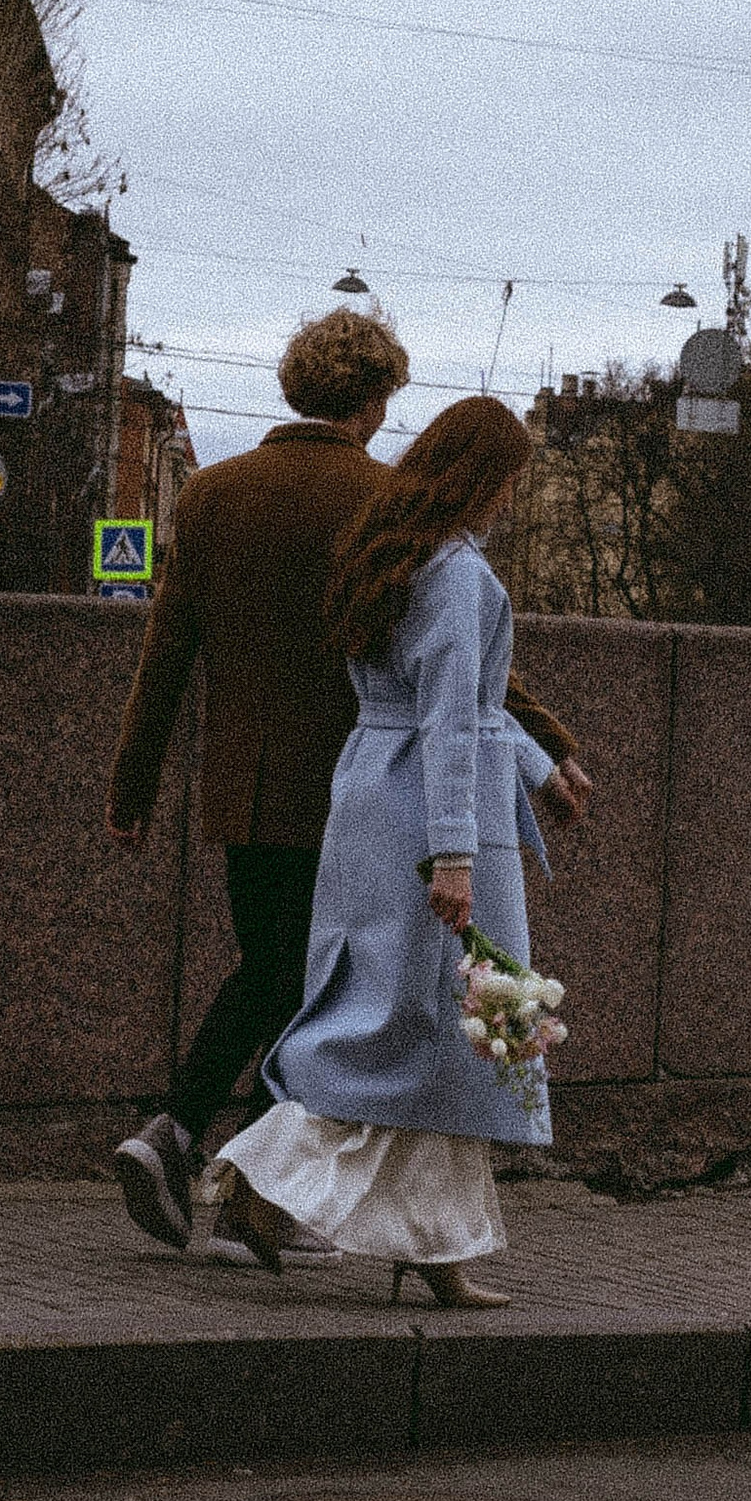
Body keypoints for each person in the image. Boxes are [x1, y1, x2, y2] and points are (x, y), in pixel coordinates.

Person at [104, 315, 585, 1252]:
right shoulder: (388, 504)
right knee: (345, 1001)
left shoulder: (212, 494)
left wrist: (132, 791)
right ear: (375, 399)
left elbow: (166, 657)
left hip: (250, 789)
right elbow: (464, 680)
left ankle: (216, 1166)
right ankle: (241, 1173)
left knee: (283, 977)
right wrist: (546, 742)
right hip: (377, 796)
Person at [205, 394, 560, 1303]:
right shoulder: (458, 576)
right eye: (510, 481)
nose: (512, 499)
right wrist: (454, 855)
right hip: (441, 817)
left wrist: (534, 759)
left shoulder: (397, 561)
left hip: (375, 792)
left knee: (419, 1023)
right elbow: (450, 716)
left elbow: (450, 707)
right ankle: (262, 1178)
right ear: (483, 477)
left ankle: (438, 1249)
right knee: (446, 1027)